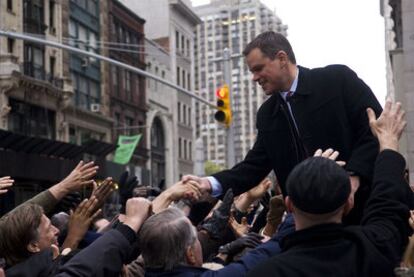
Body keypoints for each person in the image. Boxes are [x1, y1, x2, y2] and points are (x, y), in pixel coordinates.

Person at [184, 31, 383, 223]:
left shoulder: (337, 80)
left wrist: (353, 179)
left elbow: (378, 131)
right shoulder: (267, 115)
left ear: (281, 58)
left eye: (258, 68)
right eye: (252, 71)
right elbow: (252, 168)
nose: (254, 77)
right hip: (309, 226)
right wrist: (209, 183)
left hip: (368, 212)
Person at [246, 100, 411, 276]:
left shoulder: (267, 271)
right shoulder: (374, 251)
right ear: (349, 203)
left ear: (289, 205)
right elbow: (388, 202)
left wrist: (311, 171)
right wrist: (388, 142)